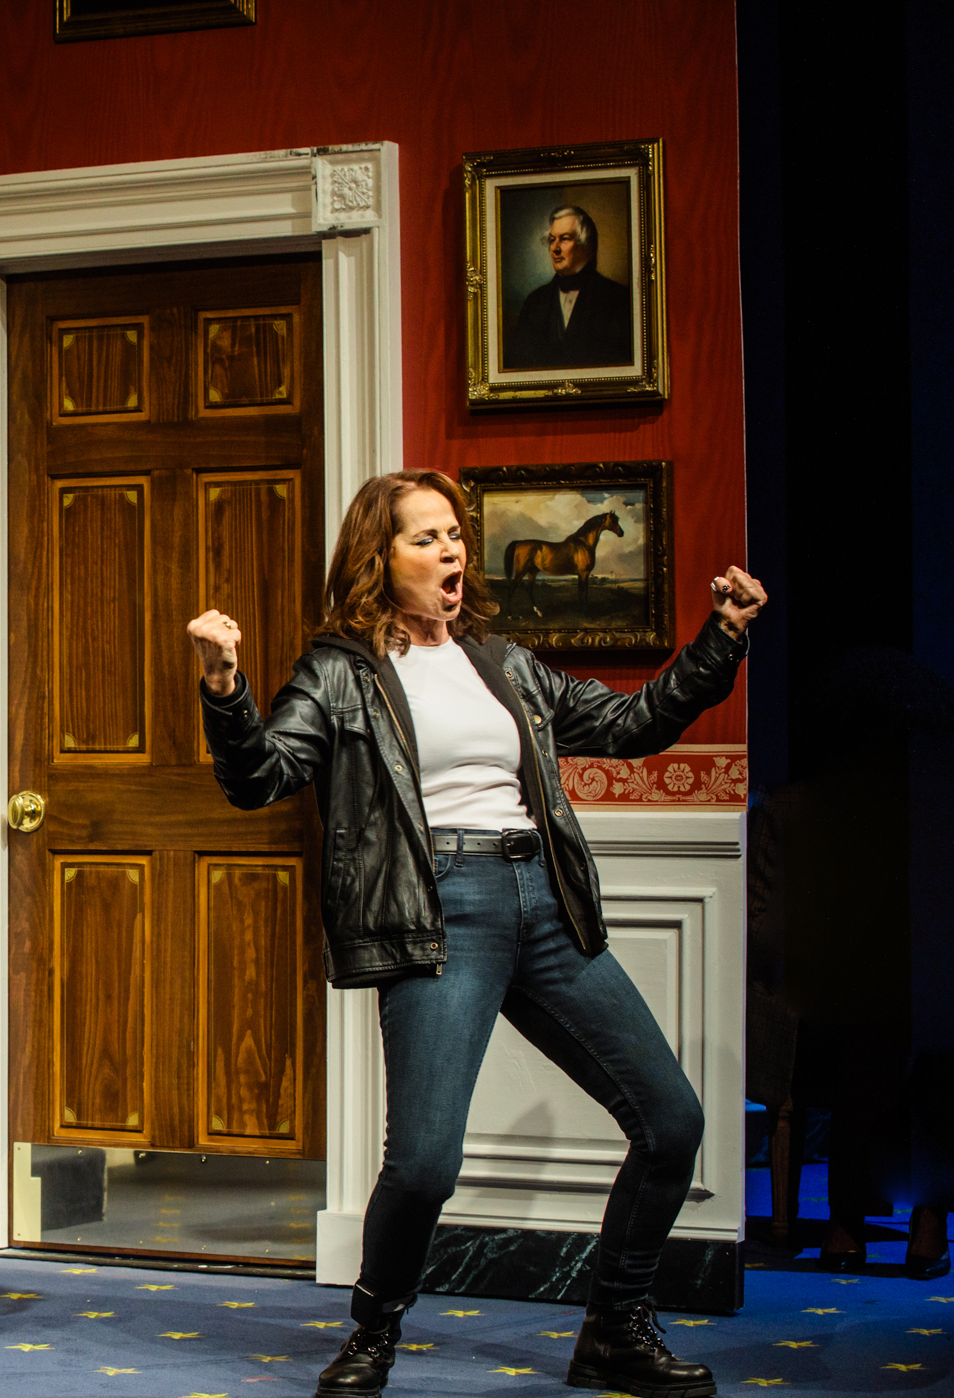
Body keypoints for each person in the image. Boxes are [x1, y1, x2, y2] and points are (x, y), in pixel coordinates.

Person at [186, 469, 761, 1398]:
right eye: (426, 537)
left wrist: (721, 637)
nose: (450, 550)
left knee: (671, 1122)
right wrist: (224, 685)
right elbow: (260, 776)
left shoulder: (504, 662)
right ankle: (373, 1333)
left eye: (454, 533)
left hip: (545, 901)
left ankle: (615, 1330)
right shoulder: (339, 671)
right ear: (379, 560)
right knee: (423, 1165)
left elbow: (632, 725)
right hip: (438, 910)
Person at [505, 205, 635, 370]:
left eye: (565, 239)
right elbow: (517, 364)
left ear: (586, 246)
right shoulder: (534, 302)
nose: (555, 249)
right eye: (552, 240)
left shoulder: (617, 298)